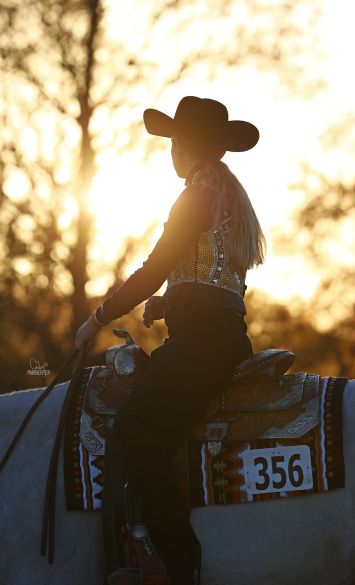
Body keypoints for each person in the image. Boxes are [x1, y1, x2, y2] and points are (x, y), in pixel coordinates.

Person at [74, 96, 266, 585]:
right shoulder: (226, 195)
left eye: (173, 142)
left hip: (201, 344)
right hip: (222, 338)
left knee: (135, 429)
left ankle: (176, 563)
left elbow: (156, 266)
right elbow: (220, 284)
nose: (171, 152)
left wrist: (98, 317)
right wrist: (170, 302)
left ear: (183, 144)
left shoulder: (196, 195)